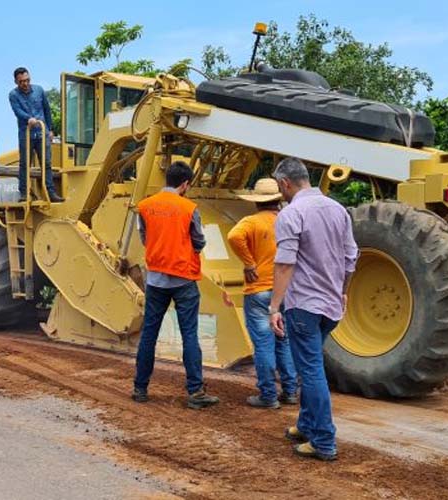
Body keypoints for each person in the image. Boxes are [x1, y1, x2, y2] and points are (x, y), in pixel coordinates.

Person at [269, 157, 358, 461]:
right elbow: (350, 258)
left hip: (304, 305)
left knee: (310, 370)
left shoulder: (292, 214)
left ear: (285, 184)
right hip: (331, 305)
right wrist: (343, 293)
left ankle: (323, 440)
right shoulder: (338, 210)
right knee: (311, 364)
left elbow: (284, 263)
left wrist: (274, 307)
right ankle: (307, 424)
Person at [133, 161, 220, 410]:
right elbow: (199, 241)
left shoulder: (145, 207)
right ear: (185, 184)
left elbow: (144, 238)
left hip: (156, 279)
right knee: (189, 334)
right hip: (184, 279)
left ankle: (140, 388)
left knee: (149, 334)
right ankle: (195, 392)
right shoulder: (189, 208)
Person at [226, 178, 299, 409]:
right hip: (284, 291)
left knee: (263, 345)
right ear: (278, 199)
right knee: (284, 341)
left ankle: (268, 395)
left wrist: (249, 263)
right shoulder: (287, 220)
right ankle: (289, 392)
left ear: (256, 201)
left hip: (258, 292)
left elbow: (233, 237)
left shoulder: (251, 222)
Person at [8, 67, 64, 203]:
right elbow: (17, 111)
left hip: (42, 132)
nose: (25, 84)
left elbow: (47, 110)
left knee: (46, 163)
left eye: (27, 80)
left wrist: (50, 130)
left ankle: (50, 192)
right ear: (16, 81)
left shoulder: (39, 90)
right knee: (24, 163)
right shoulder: (13, 95)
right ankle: (23, 193)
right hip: (26, 133)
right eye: (21, 82)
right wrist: (28, 118)